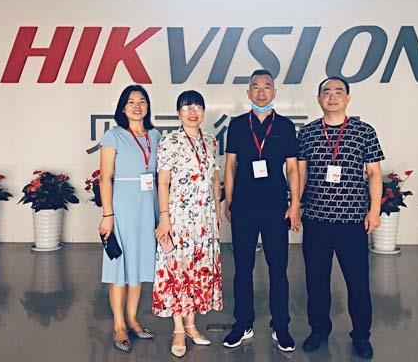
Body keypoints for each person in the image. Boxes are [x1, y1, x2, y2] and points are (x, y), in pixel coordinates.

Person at [297, 76, 384, 359]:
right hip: (316, 219)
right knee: (316, 281)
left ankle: (361, 335)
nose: (332, 96)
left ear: (348, 97)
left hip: (352, 221)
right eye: (326, 92)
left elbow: (374, 173)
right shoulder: (308, 133)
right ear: (318, 98)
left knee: (357, 282)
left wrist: (374, 210)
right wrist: (295, 205)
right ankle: (319, 329)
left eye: (338, 92)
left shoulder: (364, 131)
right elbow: (300, 173)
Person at [222, 69, 300, 352]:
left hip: (275, 206)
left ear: (274, 92)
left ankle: (281, 326)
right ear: (248, 92)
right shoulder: (237, 125)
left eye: (267, 86)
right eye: (255, 86)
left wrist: (294, 204)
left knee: (278, 268)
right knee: (242, 268)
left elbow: (293, 168)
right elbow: (230, 165)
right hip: (243, 206)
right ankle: (243, 323)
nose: (261, 91)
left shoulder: (286, 127)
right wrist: (229, 202)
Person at [153, 90, 223, 358]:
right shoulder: (170, 141)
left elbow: (214, 178)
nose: (193, 112)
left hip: (204, 219)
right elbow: (163, 182)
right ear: (178, 112)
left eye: (197, 107)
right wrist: (164, 216)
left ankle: (192, 326)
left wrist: (217, 211)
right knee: (178, 270)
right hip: (179, 217)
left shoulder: (210, 140)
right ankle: (179, 330)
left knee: (198, 270)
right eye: (186, 107)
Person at [98, 84, 161, 352]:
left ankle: (133, 319)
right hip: (123, 206)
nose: (137, 106)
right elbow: (105, 177)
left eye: (142, 101)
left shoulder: (156, 135)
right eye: (131, 101)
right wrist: (107, 215)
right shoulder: (113, 135)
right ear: (123, 108)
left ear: (148, 106)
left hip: (148, 206)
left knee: (139, 265)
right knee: (120, 267)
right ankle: (119, 325)